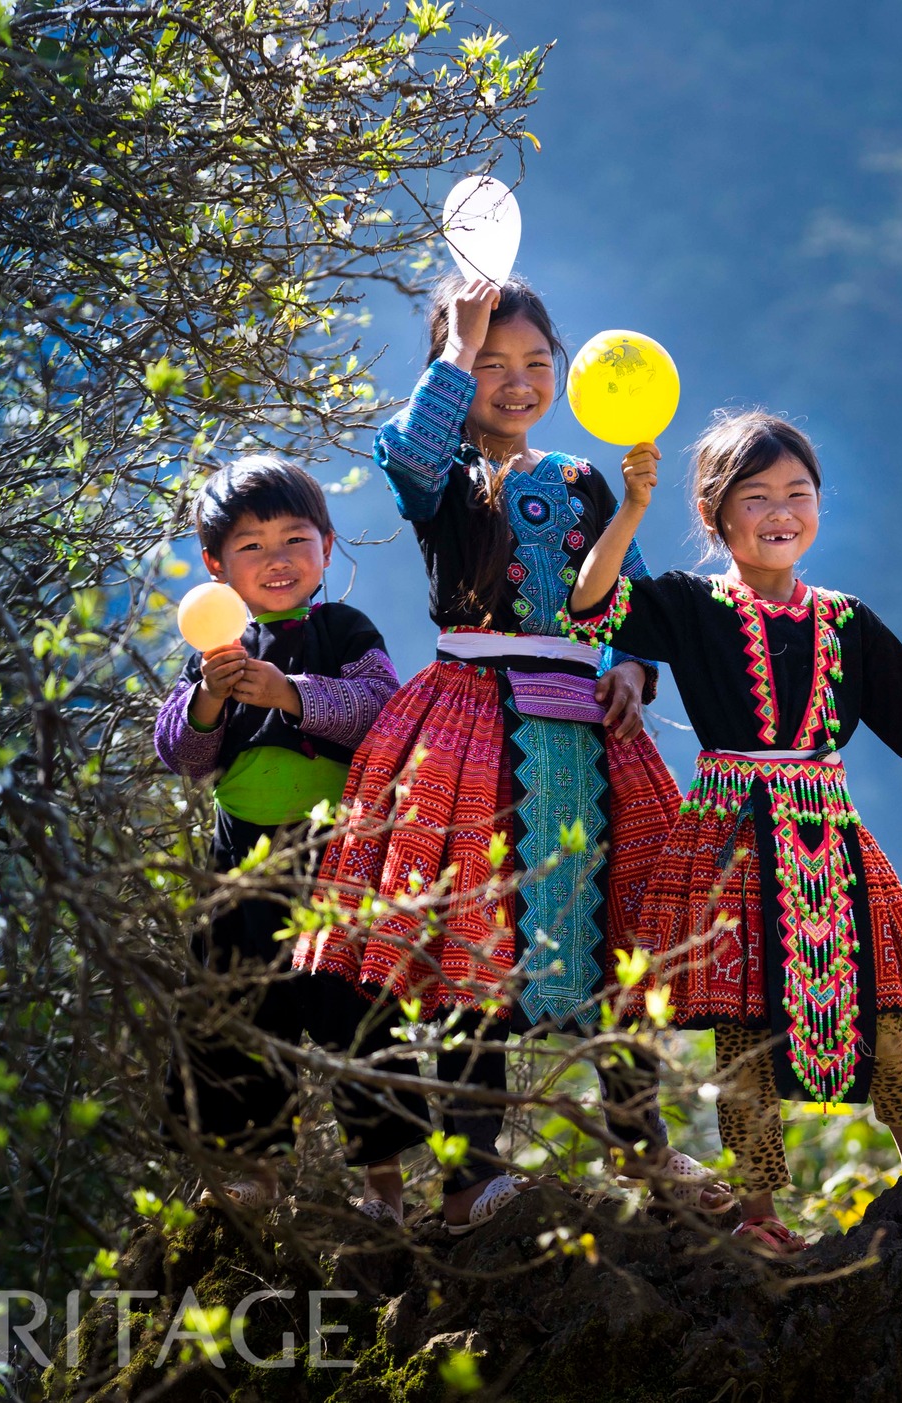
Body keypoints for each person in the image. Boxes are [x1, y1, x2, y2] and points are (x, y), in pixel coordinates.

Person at [294, 276, 721, 1236]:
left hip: (590, 732)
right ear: (454, 369)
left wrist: (637, 670)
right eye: (491, 361)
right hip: (467, 728)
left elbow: (635, 595)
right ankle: (470, 1179)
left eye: (535, 362)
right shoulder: (438, 477)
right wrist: (458, 343)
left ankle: (644, 1145)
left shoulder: (582, 482)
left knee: (623, 938)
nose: (517, 380)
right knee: (468, 943)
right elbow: (405, 451)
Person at [565, 410, 902, 1254]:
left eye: (798, 491)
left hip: (828, 835)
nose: (781, 509)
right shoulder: (686, 603)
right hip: (729, 837)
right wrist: (632, 510)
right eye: (757, 496)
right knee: (746, 1029)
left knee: (886, 1011)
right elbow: (591, 605)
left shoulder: (848, 620)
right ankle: (758, 1216)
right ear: (717, 514)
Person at [154, 454, 419, 1218]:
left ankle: (384, 1185)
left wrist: (293, 694)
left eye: (294, 539)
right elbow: (183, 754)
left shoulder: (343, 629)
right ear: (214, 566)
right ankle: (253, 1178)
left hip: (341, 862)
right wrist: (208, 696)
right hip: (243, 865)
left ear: (327, 547)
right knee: (238, 1012)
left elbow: (382, 710)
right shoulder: (212, 648)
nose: (276, 560)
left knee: (360, 1017)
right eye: (251, 546)